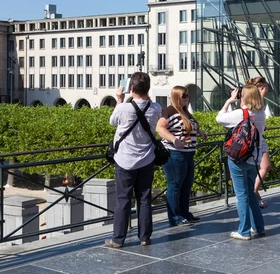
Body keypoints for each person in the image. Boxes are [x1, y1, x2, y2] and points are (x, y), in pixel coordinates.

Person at [105, 72, 162, 248]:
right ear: (148, 88)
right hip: (147, 159)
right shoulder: (156, 108)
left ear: (131, 88)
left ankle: (118, 239)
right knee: (144, 199)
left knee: (123, 199)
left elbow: (112, 122)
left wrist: (120, 99)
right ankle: (145, 237)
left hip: (125, 160)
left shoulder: (123, 108)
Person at [216, 85, 266, 240]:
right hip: (254, 158)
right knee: (251, 193)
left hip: (238, 157)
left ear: (244, 97)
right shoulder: (261, 113)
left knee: (241, 195)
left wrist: (230, 100)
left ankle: (243, 230)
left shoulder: (240, 113)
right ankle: (258, 227)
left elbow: (219, 118)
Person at [156, 86, 207, 227]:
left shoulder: (185, 112)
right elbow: (160, 128)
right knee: (175, 185)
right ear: (177, 96)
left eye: (187, 95)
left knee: (187, 185)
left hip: (189, 153)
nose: (187, 98)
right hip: (174, 154)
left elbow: (188, 128)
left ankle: (185, 213)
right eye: (184, 95)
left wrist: (200, 132)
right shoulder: (169, 111)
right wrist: (173, 139)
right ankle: (174, 216)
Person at [246, 76, 271, 207]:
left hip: (260, 138)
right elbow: (253, 112)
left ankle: (254, 192)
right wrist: (260, 97)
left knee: (266, 166)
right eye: (261, 87)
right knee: (254, 168)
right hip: (250, 141)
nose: (263, 89)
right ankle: (254, 193)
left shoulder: (259, 100)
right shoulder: (248, 98)